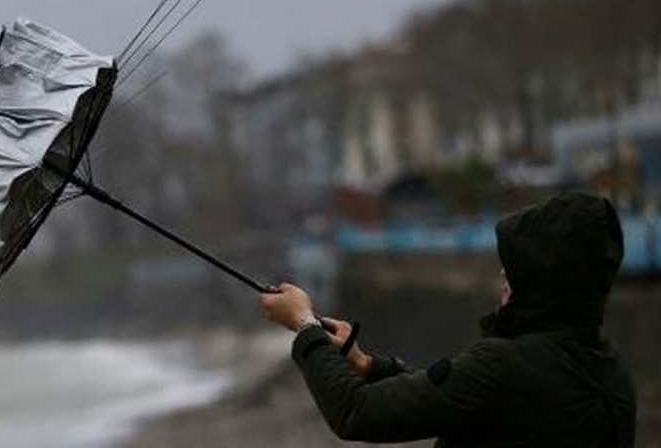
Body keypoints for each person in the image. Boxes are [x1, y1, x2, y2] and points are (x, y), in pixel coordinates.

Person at [260, 191, 636, 447]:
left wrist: (305, 325)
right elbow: (464, 400)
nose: (504, 278)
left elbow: (357, 412)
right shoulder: (611, 375)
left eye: (516, 270)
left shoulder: (502, 367)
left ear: (545, 281)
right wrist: (368, 364)